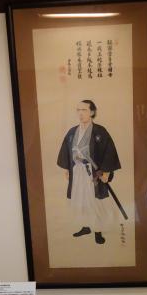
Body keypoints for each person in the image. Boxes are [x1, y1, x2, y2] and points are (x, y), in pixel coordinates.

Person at [57, 100, 121, 244]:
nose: (80, 113)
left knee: (95, 201)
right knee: (80, 200)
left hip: (93, 174)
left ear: (92, 112)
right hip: (77, 172)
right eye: (78, 110)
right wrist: (67, 168)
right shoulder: (72, 132)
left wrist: (106, 172)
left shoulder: (100, 131)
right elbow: (66, 151)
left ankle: (98, 231)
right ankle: (86, 226)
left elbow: (109, 152)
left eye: (84, 110)